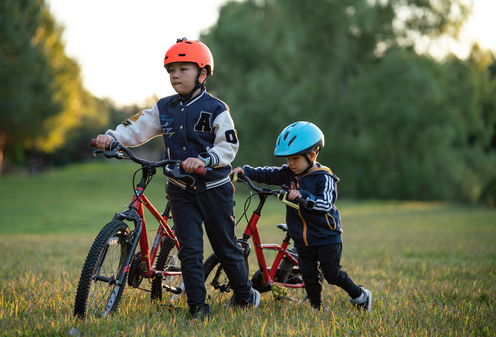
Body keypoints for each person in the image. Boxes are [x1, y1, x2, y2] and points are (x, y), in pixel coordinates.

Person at [94, 38, 259, 320]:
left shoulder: (216, 108)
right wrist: (111, 138)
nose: (175, 75)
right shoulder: (164, 108)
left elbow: (228, 146)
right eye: (171, 70)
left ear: (202, 74)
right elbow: (136, 126)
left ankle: (245, 295)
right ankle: (198, 307)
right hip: (180, 189)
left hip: (214, 189)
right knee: (190, 251)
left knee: (225, 247)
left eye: (183, 68)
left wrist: (206, 159)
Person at [233, 121, 372, 312]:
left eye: (295, 158)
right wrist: (246, 172)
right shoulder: (290, 173)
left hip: (326, 237)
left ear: (312, 156)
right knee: (309, 276)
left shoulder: (325, 177)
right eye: (288, 158)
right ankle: (317, 308)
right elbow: (269, 174)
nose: (290, 163)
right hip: (302, 238)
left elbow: (325, 204)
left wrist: (303, 196)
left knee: (332, 274)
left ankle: (361, 296)